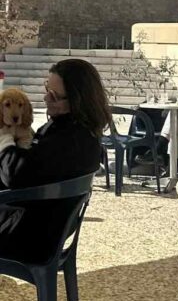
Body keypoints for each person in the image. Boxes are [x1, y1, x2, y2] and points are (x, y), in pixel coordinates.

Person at [0, 58, 111, 262]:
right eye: (46, 89)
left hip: (30, 235)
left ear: (77, 99)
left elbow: (14, 175)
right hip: (41, 225)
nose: (45, 98)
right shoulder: (76, 130)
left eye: (55, 96)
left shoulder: (70, 139)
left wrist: (4, 139)